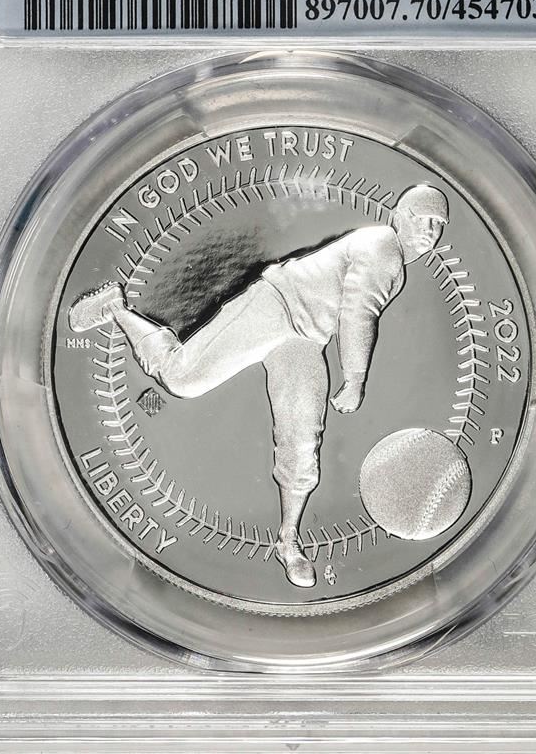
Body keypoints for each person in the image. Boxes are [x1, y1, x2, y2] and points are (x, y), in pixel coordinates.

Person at [70, 184, 449, 588]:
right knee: (181, 378)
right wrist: (354, 380)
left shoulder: (395, 264)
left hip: (304, 339)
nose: (429, 229)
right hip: (276, 306)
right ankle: (115, 308)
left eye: (437, 224)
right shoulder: (383, 245)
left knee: (302, 439)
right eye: (420, 218)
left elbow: (352, 313)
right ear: (397, 216)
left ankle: (288, 541)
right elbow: (358, 313)